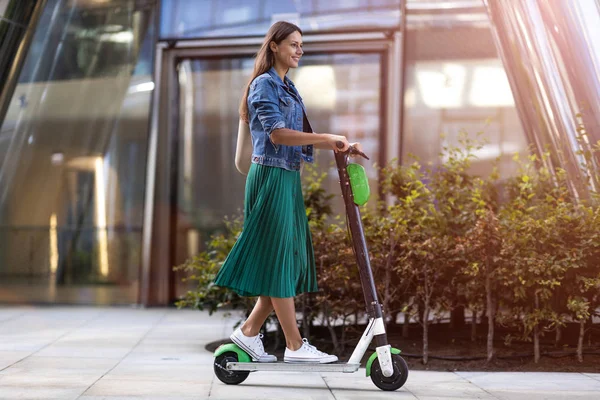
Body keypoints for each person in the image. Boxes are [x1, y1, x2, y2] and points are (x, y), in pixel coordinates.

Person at [214, 21, 361, 364]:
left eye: (301, 45)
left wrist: (341, 143)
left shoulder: (288, 87)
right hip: (269, 177)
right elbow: (278, 135)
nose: (299, 50)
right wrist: (327, 138)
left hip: (288, 177)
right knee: (279, 260)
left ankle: (248, 334)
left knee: (286, 261)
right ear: (275, 46)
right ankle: (294, 346)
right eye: (293, 44)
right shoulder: (263, 85)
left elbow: (301, 133)